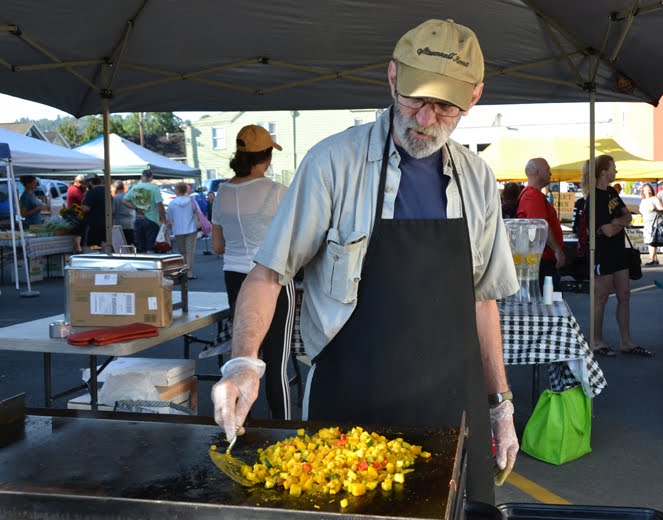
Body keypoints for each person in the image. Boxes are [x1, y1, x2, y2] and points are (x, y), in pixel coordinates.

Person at [210, 19, 519, 504]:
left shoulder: (477, 179)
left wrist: (500, 401)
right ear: (392, 77)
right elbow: (269, 273)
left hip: (452, 405)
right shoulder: (334, 163)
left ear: (475, 96)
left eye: (445, 106)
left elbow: (483, 301)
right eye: (415, 98)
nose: (425, 119)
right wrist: (244, 362)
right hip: (350, 399)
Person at [211, 125, 295, 420]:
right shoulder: (277, 192)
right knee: (277, 362)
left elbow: (217, 245)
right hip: (272, 278)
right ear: (267, 157)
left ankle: (233, 423)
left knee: (243, 359)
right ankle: (282, 429)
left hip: (234, 278)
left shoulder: (221, 192)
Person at [581, 155, 651, 358]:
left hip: (619, 252)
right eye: (613, 168)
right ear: (604, 171)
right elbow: (607, 230)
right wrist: (618, 223)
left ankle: (626, 341)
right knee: (601, 297)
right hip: (602, 252)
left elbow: (628, 216)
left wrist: (617, 221)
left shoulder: (611, 192)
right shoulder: (592, 198)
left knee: (625, 295)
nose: (616, 172)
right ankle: (596, 341)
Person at [516, 158, 565, 289]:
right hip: (542, 261)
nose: (550, 173)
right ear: (537, 172)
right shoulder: (533, 195)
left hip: (540, 260)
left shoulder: (532, 195)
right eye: (548, 170)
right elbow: (541, 227)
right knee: (549, 300)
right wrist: (557, 250)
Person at [122, 169, 166, 254]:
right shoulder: (154, 188)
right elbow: (159, 205)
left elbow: (124, 201)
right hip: (152, 220)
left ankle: (143, 266)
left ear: (142, 177)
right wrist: (163, 218)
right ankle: (151, 266)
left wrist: (135, 208)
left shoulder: (134, 188)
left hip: (138, 220)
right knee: (151, 247)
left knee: (141, 248)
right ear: (151, 178)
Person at [166, 182, 199, 279]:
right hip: (191, 229)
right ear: (185, 190)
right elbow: (198, 213)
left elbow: (170, 218)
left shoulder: (172, 203)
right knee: (190, 252)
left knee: (182, 252)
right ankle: (189, 272)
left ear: (177, 190)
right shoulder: (191, 201)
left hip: (178, 230)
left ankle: (183, 271)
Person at [639, 183, 663, 266]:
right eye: (645, 190)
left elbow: (662, 210)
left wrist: (655, 209)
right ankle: (655, 259)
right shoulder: (643, 200)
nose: (648, 192)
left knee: (652, 241)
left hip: (655, 223)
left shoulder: (654, 199)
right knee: (649, 241)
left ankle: (651, 259)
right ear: (642, 191)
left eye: (649, 190)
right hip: (646, 223)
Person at [80, 173, 107, 249]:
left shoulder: (92, 192)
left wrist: (83, 202)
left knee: (90, 249)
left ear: (90, 182)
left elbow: (85, 209)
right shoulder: (107, 192)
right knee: (103, 247)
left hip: (92, 226)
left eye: (86, 183)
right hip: (105, 225)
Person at [111, 180, 135, 246]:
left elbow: (113, 211)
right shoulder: (129, 197)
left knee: (120, 243)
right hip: (130, 222)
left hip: (118, 222)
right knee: (130, 242)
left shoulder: (115, 198)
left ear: (115, 188)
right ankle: (132, 255)